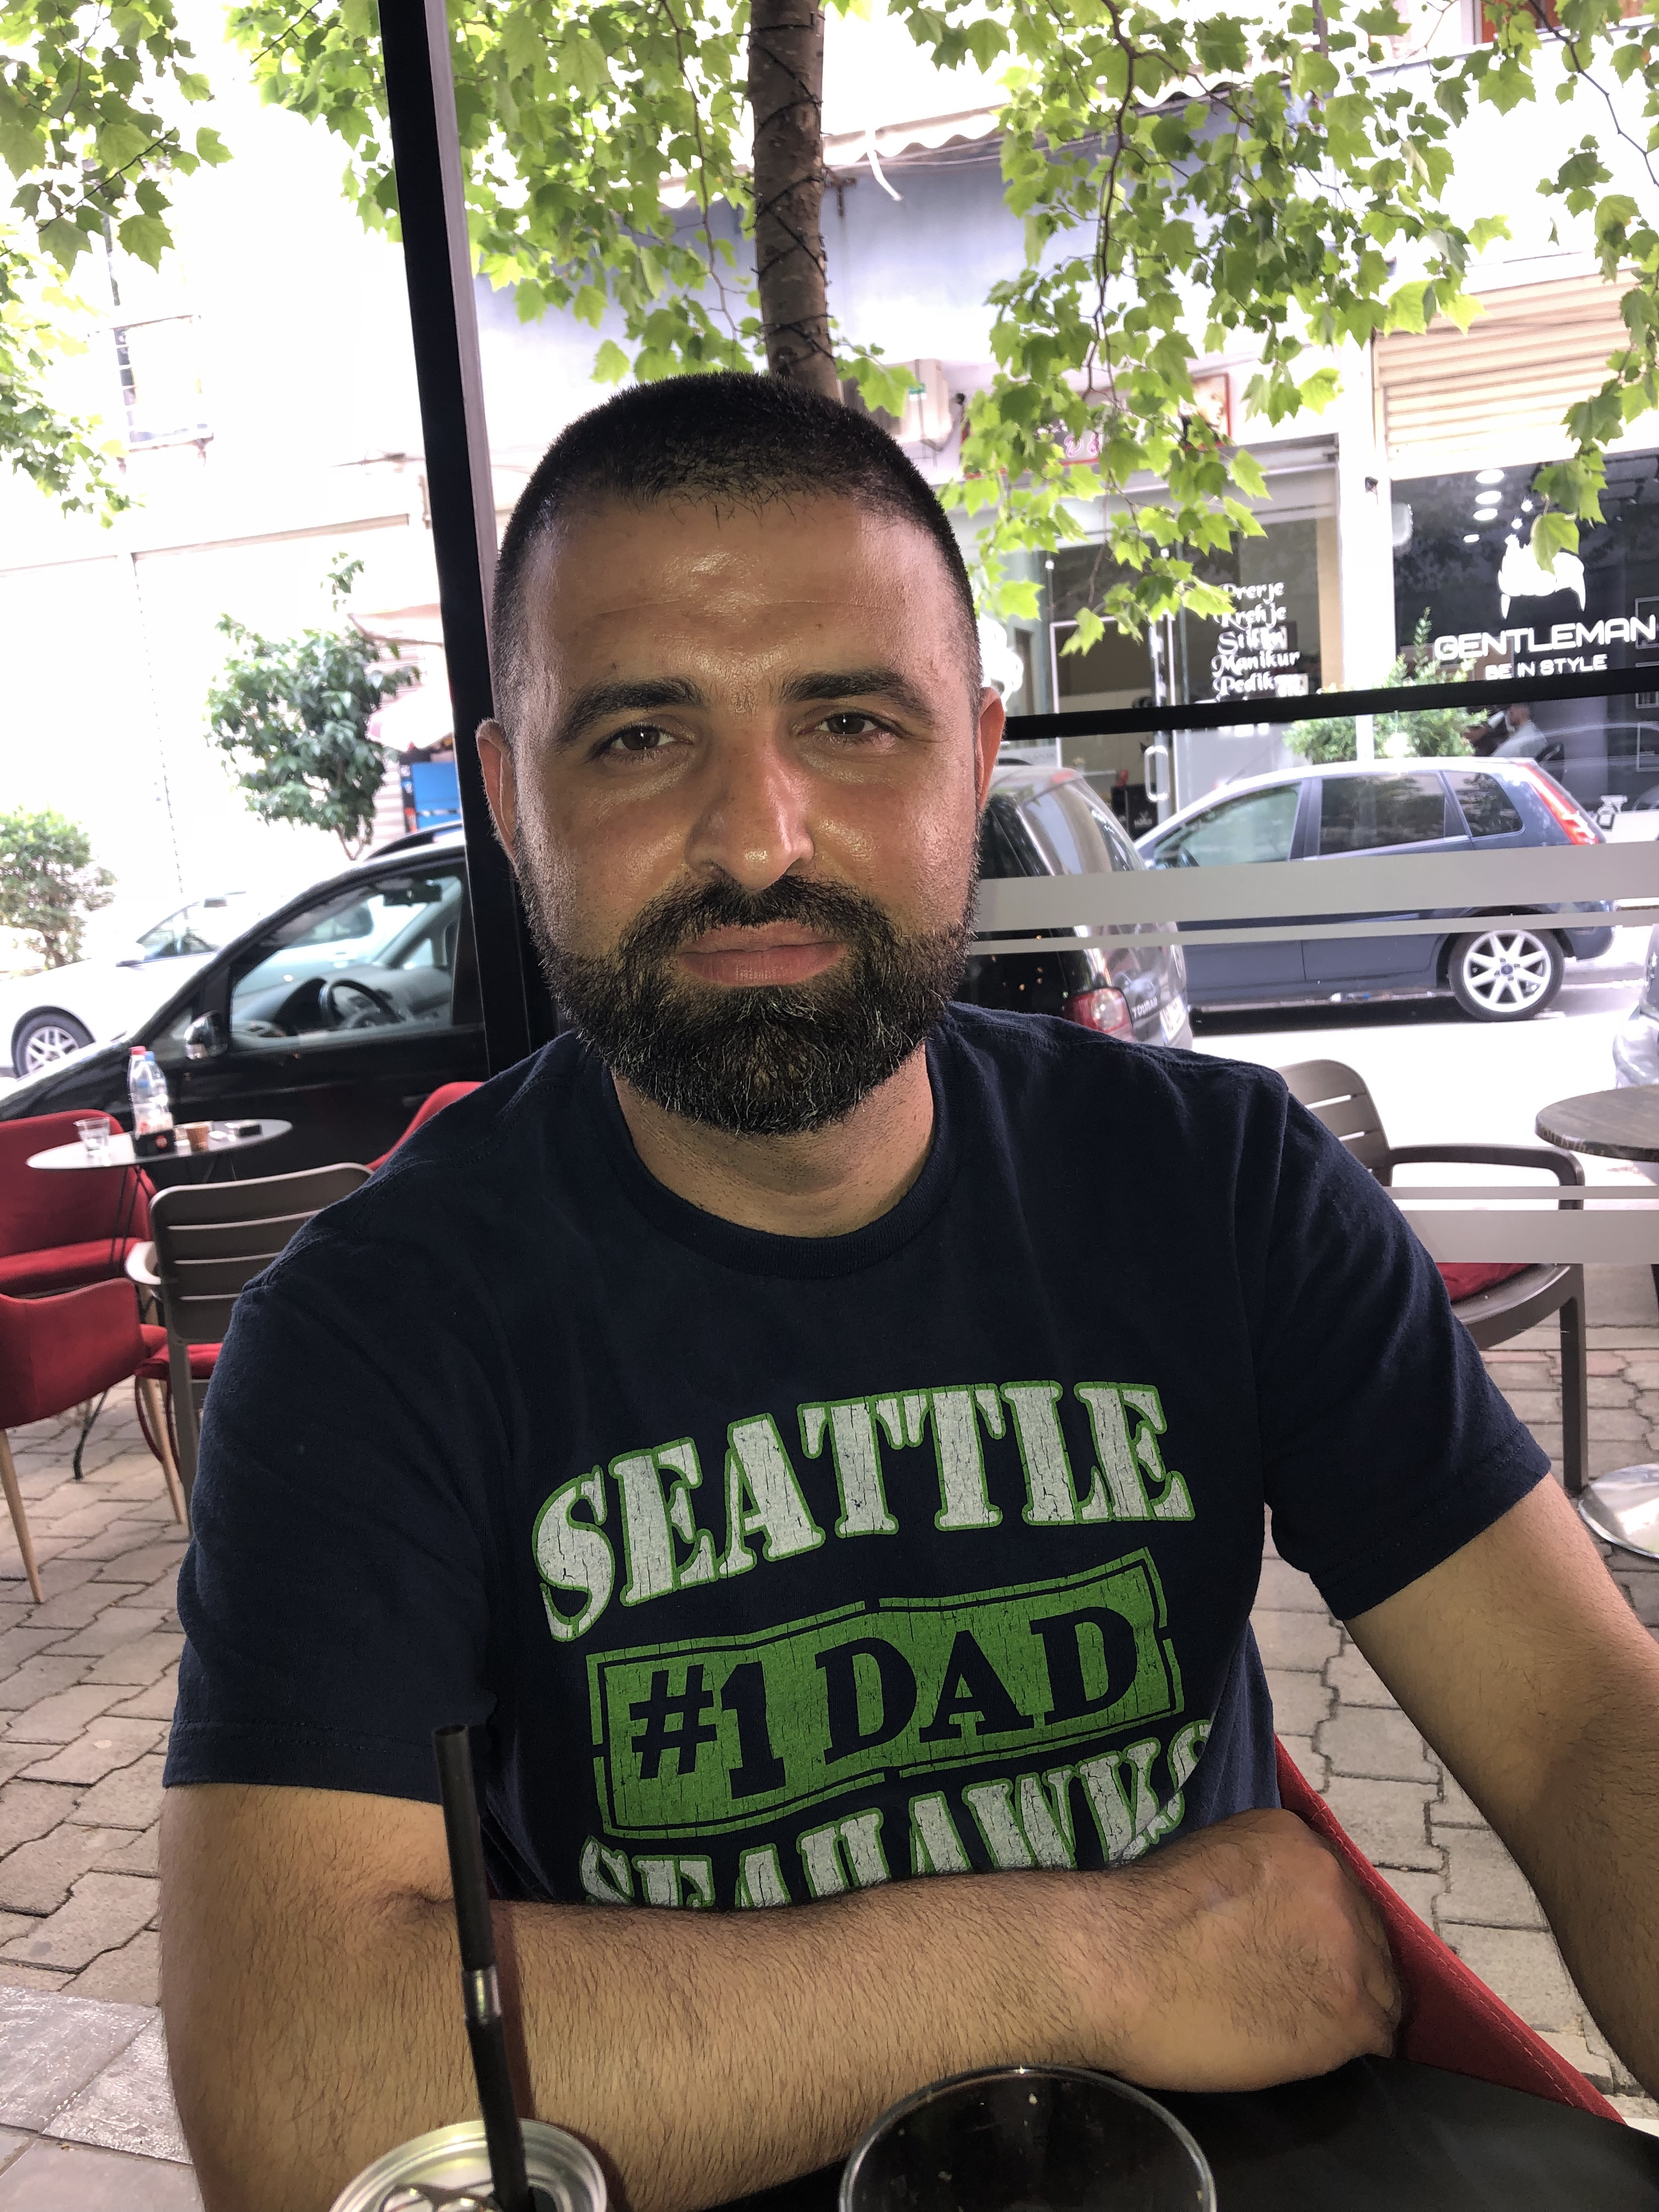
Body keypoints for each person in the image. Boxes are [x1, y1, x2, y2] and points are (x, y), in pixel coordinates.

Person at [160, 374, 1659, 2212]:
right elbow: (300, 2091)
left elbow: (1586, 1732)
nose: (760, 839)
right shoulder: (371, 1335)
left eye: (853, 721)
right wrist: (1088, 1961)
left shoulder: (1219, 1188)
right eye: (639, 737)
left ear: (977, 754)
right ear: (508, 798)